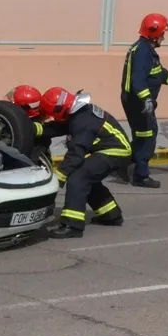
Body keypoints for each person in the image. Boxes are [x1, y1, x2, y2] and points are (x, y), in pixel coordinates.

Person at [39, 87, 131, 239]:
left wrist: (59, 178)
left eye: (53, 115)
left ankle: (72, 225)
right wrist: (37, 129)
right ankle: (111, 215)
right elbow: (62, 126)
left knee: (78, 178)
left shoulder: (83, 121)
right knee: (88, 178)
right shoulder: (77, 111)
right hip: (110, 147)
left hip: (116, 151)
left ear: (60, 109)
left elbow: (76, 153)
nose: (53, 118)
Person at [119, 13, 168, 189]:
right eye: (162, 34)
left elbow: (158, 73)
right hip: (138, 103)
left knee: (141, 136)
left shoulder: (145, 50)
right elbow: (138, 80)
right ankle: (140, 176)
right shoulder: (143, 52)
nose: (163, 37)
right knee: (147, 137)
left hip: (138, 101)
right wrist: (146, 100)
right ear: (153, 33)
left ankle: (121, 164)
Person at [6, 84, 63, 165]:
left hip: (31, 165)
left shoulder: (25, 125)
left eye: (12, 104)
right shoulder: (41, 119)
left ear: (23, 108)